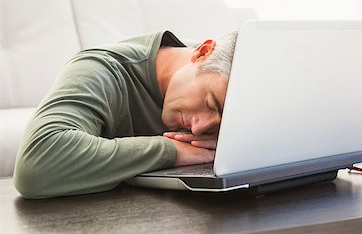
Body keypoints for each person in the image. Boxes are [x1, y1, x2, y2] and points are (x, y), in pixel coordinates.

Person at [13, 30, 237, 199]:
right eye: (210, 103)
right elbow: (35, 165)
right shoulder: (99, 70)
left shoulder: (229, 76)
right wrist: (171, 150)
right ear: (202, 52)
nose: (199, 129)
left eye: (219, 124)